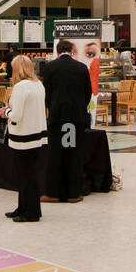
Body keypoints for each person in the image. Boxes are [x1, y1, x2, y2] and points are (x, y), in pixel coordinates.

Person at [43, 38, 93, 203]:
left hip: (58, 118)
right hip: (74, 119)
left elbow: (47, 94)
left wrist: (52, 107)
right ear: (72, 51)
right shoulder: (81, 68)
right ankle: (74, 193)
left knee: (56, 155)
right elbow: (88, 93)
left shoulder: (50, 67)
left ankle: (53, 193)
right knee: (72, 153)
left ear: (57, 51)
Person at [0, 54, 46, 222]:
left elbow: (17, 115)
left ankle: (30, 212)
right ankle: (24, 207)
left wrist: (5, 112)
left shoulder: (21, 87)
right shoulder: (38, 84)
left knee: (25, 176)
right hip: (37, 135)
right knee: (30, 175)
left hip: (22, 137)